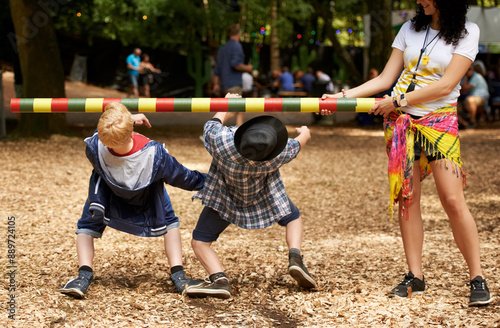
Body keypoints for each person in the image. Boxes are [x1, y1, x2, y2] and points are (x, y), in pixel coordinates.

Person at [322, 0, 491, 306]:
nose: (418, 1)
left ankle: (477, 277)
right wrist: (342, 96)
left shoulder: (468, 32)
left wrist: (397, 101)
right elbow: (385, 79)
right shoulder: (409, 30)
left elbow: (447, 84)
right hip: (401, 124)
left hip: (439, 123)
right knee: (408, 198)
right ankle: (416, 275)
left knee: (452, 200)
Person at [59, 102, 205, 299]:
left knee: (87, 224)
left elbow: (101, 132)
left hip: (106, 198)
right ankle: (178, 275)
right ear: (131, 132)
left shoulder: (93, 147)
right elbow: (184, 177)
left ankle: (83, 276)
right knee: (170, 223)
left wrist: (125, 120)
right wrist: (211, 180)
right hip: (147, 200)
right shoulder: (155, 154)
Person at [186, 93, 316, 299]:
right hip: (264, 199)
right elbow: (300, 142)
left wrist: (227, 102)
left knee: (199, 242)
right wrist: (304, 132)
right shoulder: (279, 154)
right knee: (293, 218)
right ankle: (295, 257)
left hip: (224, 200)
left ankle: (219, 279)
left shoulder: (222, 143)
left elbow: (213, 124)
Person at [213, 23, 253, 126]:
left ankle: (239, 134)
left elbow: (217, 69)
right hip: (234, 83)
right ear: (239, 34)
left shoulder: (223, 47)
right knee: (231, 111)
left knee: (240, 109)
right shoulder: (237, 46)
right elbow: (235, 64)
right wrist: (247, 68)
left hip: (224, 83)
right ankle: (211, 131)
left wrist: (216, 84)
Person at [458, 63, 490, 128]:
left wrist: (465, 77)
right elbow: (462, 91)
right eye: (466, 70)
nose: (467, 71)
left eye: (469, 69)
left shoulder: (476, 76)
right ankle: (466, 123)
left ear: (473, 70)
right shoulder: (470, 77)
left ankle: (472, 121)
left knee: (470, 100)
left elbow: (464, 88)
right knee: (456, 106)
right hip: (473, 97)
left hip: (481, 98)